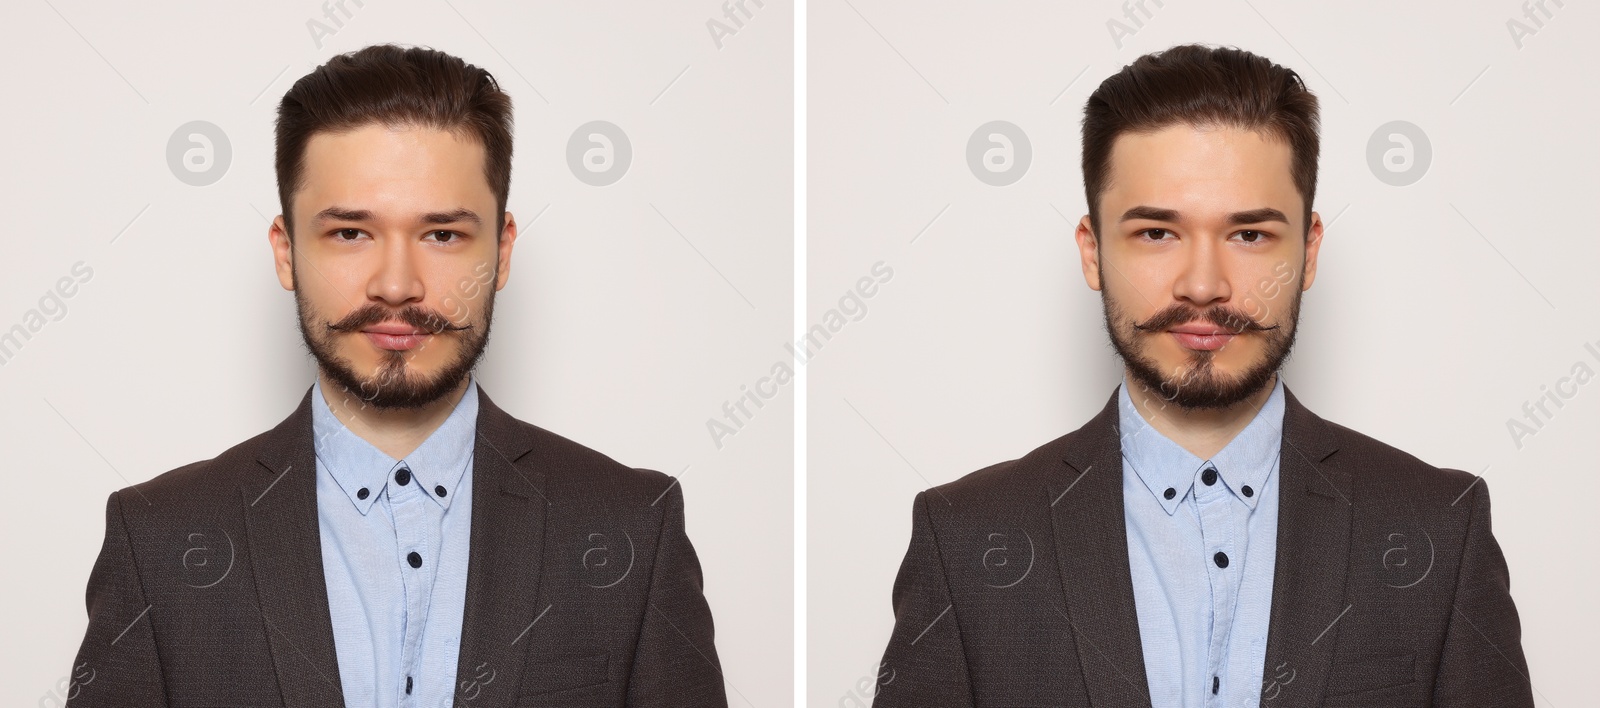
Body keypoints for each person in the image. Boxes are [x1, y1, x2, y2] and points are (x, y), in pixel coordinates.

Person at [66, 44, 727, 707]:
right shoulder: (158, 539)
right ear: (287, 252)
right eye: (351, 233)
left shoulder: (632, 529)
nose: (397, 285)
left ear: (500, 254)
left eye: (442, 235)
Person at [871, 44, 1532, 707]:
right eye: (1158, 233)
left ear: (1307, 253)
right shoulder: (964, 540)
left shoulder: (1439, 530)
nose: (1204, 285)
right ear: (1093, 252)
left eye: (1249, 235)